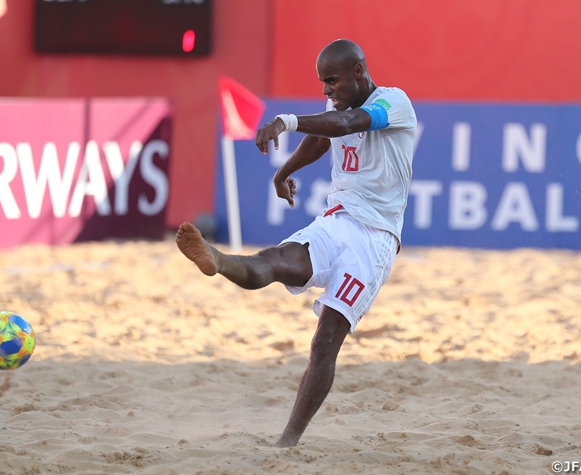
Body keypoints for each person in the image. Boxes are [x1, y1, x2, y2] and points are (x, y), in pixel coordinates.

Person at [176, 39, 417, 447]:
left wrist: (286, 121)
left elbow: (344, 127)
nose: (327, 91)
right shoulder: (338, 105)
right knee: (274, 261)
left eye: (332, 81)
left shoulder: (393, 103)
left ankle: (287, 441)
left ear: (359, 71)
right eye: (323, 83)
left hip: (373, 241)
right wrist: (282, 172)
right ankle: (217, 258)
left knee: (324, 342)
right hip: (336, 220)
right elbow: (324, 140)